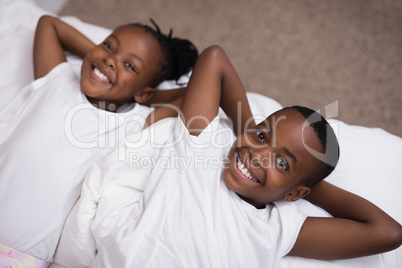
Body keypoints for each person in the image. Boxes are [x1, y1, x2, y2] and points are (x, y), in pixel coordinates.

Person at [54, 45, 402, 267]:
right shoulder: (201, 145)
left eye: (283, 162)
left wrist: (304, 182)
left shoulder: (278, 228)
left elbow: (388, 233)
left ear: (296, 194)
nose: (259, 154)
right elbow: (214, 57)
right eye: (263, 136)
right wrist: (250, 135)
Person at [0, 15, 198, 266]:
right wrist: (108, 65)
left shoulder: (134, 124)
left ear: (145, 93)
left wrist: (138, 90)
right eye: (109, 46)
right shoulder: (57, 79)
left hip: (18, 256)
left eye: (131, 66)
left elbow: (197, 90)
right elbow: (49, 24)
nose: (111, 60)